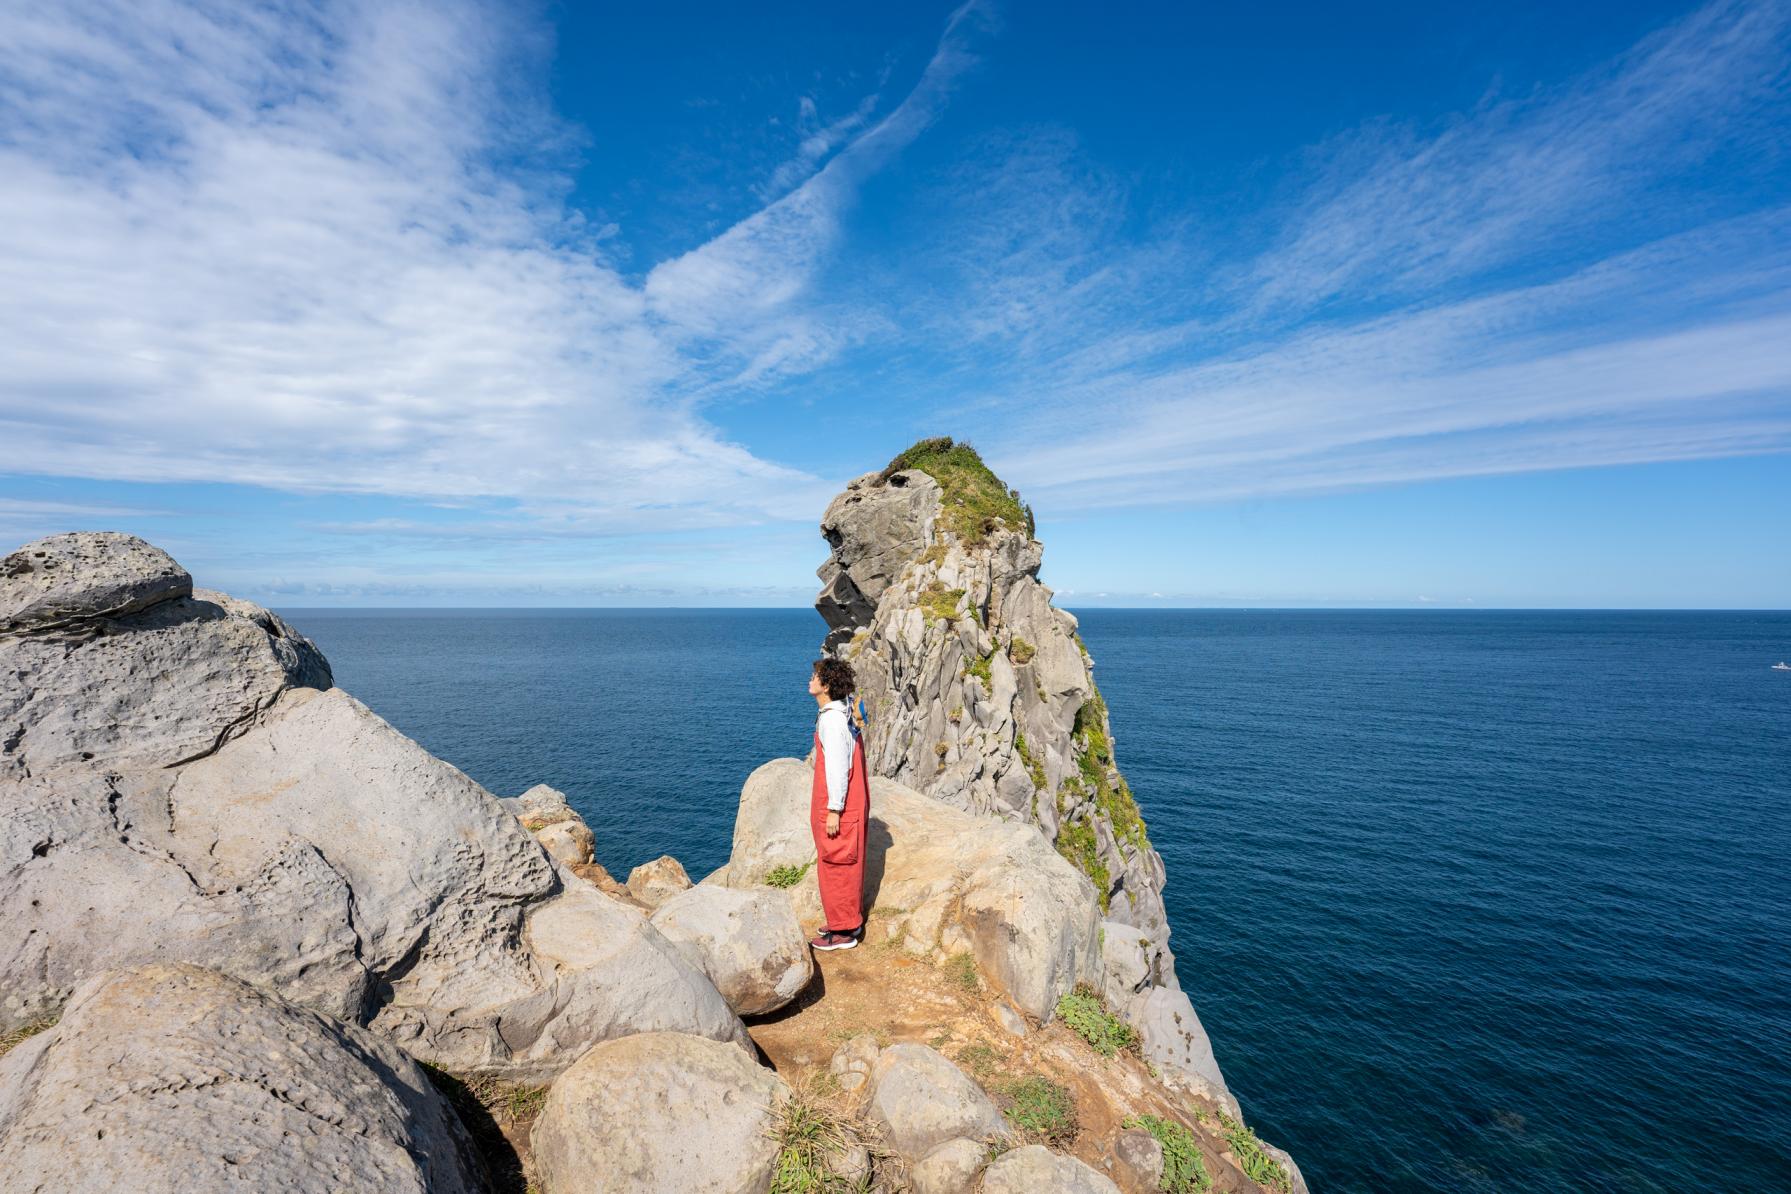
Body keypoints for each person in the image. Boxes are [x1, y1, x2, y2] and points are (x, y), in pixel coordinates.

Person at [807, 656, 868, 951]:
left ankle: (842, 932)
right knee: (843, 862)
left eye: (815, 676)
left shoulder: (831, 720)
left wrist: (834, 809)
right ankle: (845, 919)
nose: (810, 680)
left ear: (826, 685)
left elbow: (837, 767)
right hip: (851, 802)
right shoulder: (840, 712)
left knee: (837, 863)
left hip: (841, 805)